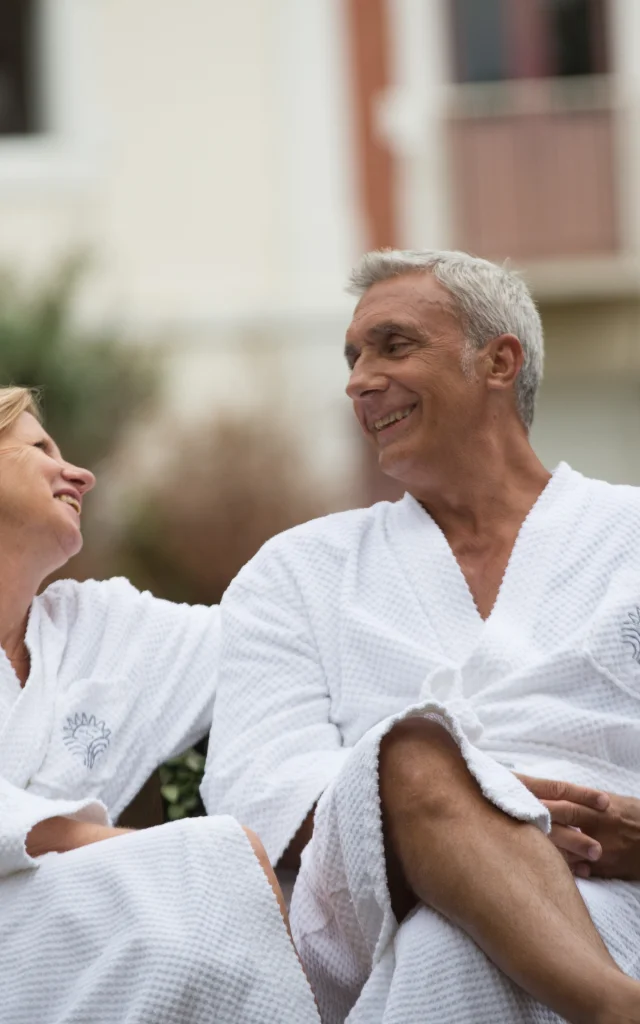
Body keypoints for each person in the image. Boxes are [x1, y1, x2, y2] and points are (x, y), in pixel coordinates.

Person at [204, 250, 640, 1024]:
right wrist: (473, 807)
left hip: (623, 898)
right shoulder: (298, 571)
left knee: (446, 949)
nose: (358, 379)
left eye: (393, 345)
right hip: (382, 910)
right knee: (405, 760)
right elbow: (259, 788)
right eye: (352, 356)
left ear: (500, 360)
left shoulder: (628, 536)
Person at [0, 386, 318, 1024]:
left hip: (84, 937)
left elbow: (262, 645)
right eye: (39, 447)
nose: (81, 474)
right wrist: (150, 857)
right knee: (213, 866)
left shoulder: (95, 627)